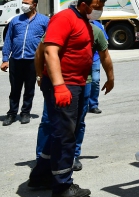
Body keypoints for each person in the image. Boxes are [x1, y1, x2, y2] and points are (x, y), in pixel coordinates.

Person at [27, 0, 110, 197]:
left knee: (58, 132)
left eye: (101, 8)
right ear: (83, 5)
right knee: (66, 134)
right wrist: (59, 86)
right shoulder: (65, 18)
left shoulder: (84, 22)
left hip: (77, 83)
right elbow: (48, 51)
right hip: (66, 84)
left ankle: (40, 177)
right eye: (96, 7)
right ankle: (62, 185)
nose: (99, 11)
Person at [34, 18, 113, 172]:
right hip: (57, 83)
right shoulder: (59, 27)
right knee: (49, 122)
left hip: (83, 83)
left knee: (77, 123)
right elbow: (41, 52)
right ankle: (43, 158)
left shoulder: (95, 30)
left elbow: (105, 56)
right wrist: (39, 75)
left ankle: (72, 155)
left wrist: (111, 78)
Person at [0, 0, 49, 126]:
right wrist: (5, 59)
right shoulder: (16, 21)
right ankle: (11, 114)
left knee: (29, 89)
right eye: (23, 2)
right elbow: (8, 40)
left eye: (26, 3)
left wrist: (45, 61)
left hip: (33, 61)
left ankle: (25, 113)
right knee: (15, 89)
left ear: (35, 5)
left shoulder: (44, 21)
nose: (23, 5)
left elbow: (48, 41)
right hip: (16, 60)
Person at [86, 20, 106, 114]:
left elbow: (104, 42)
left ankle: (93, 105)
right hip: (83, 59)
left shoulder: (97, 25)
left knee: (95, 80)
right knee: (85, 82)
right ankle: (83, 105)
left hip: (95, 57)